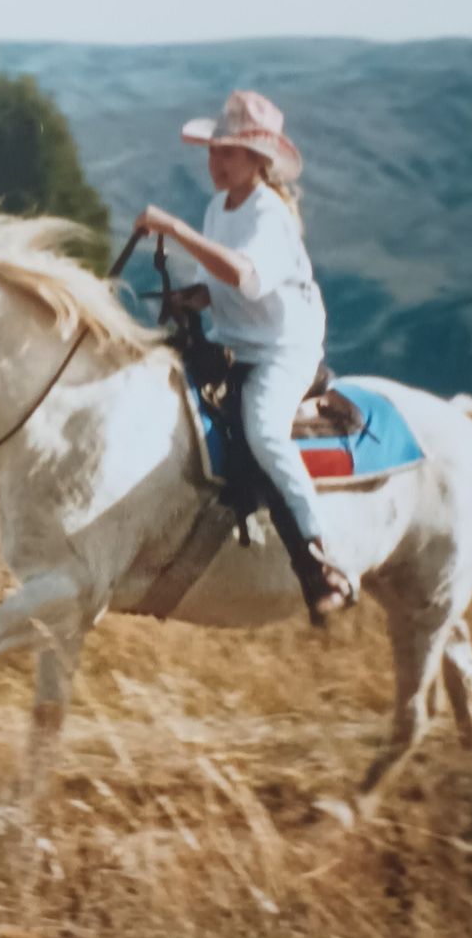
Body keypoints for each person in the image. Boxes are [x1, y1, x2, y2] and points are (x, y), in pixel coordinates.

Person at [134, 89, 354, 623]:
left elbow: (249, 277)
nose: (215, 162)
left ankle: (318, 555)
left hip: (284, 348)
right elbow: (224, 280)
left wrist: (177, 232)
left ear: (258, 160)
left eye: (227, 153)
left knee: (262, 428)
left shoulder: (268, 213)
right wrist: (196, 297)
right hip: (240, 341)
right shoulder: (219, 207)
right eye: (213, 151)